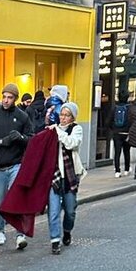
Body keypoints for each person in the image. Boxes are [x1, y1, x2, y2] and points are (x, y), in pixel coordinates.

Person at [0, 83, 31, 250]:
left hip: (16, 164)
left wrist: (21, 138)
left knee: (16, 198)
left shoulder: (23, 117)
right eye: (4, 96)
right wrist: (1, 142)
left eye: (10, 97)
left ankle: (19, 233)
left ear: (15, 99)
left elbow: (31, 139)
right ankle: (0, 230)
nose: (6, 100)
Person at [48, 103, 84, 254]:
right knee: (54, 210)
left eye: (67, 115)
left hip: (70, 176)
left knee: (70, 211)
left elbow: (71, 143)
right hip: (54, 176)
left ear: (73, 117)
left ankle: (67, 230)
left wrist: (57, 131)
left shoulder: (77, 129)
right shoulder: (52, 130)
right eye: (61, 114)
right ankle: (55, 240)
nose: (63, 118)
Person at [111, 91, 132, 177]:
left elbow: (108, 121)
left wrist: (113, 129)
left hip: (117, 133)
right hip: (126, 132)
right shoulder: (130, 108)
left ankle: (117, 171)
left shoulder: (115, 108)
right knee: (126, 151)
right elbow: (132, 120)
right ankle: (126, 169)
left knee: (117, 152)